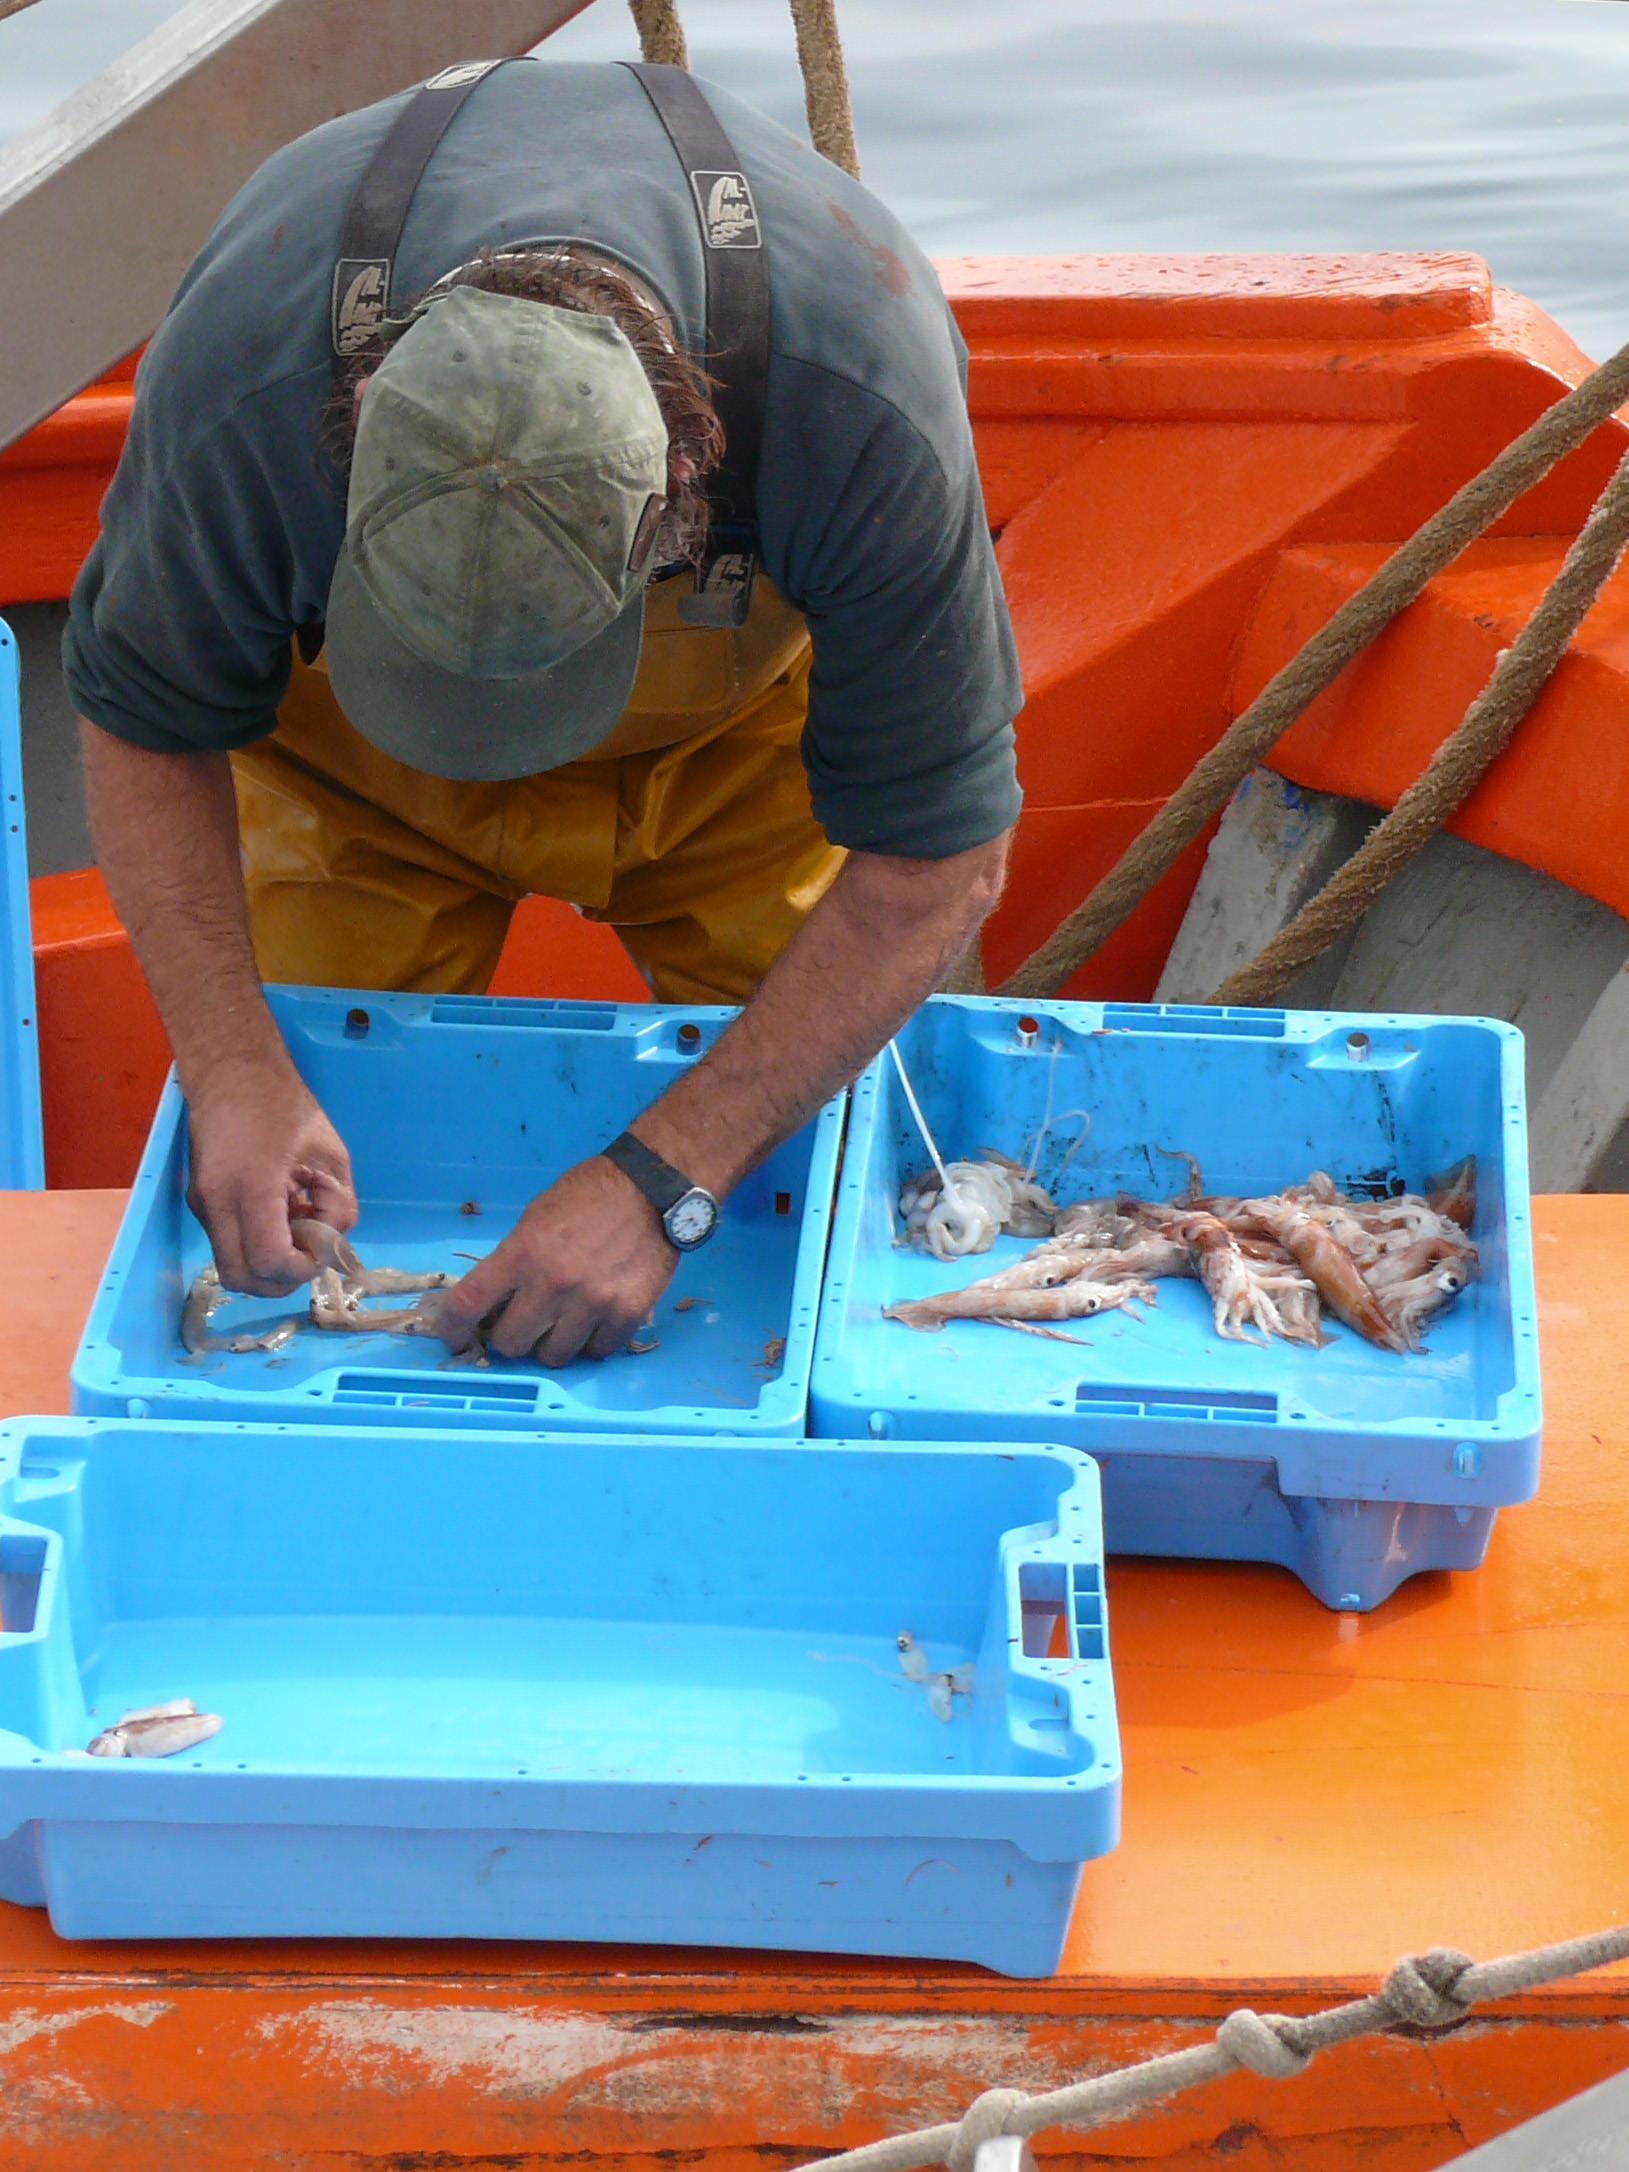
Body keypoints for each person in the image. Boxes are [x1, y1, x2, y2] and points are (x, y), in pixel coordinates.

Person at [64, 57, 1022, 1366]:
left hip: (726, 764)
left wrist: (667, 1180)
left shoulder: (858, 387)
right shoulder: (247, 374)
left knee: (826, 1158)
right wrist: (232, 1065)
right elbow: (144, 720)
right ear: (354, 414)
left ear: (683, 481)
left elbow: (937, 858)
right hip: (359, 780)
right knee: (290, 1144)